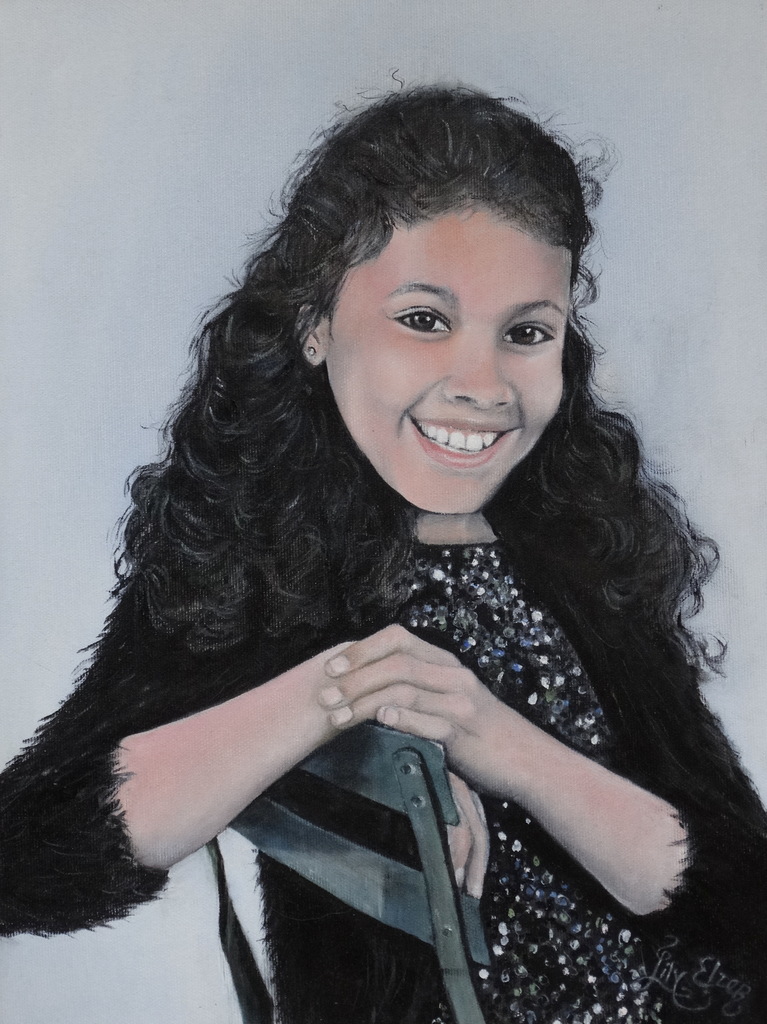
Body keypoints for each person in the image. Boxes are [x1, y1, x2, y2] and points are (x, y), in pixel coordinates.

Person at [1, 87, 765, 1024]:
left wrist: (492, 737)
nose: (482, 385)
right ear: (314, 323)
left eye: (526, 334)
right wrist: (343, 689)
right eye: (423, 320)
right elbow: (24, 862)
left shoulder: (578, 548)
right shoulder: (254, 566)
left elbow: (742, 900)